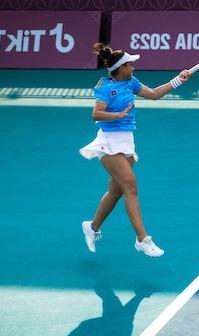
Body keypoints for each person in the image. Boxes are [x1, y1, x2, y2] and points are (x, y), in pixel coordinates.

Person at [80, 43, 190, 257]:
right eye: (130, 64)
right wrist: (117, 115)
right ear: (121, 68)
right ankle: (142, 239)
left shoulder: (131, 82)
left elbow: (154, 94)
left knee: (116, 191)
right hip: (108, 143)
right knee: (131, 187)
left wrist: (178, 79)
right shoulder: (105, 87)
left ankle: (91, 227)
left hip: (127, 142)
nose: (133, 66)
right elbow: (96, 114)